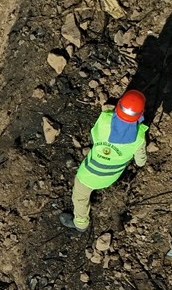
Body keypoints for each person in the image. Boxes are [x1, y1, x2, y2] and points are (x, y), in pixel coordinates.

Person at [60, 90, 149, 233]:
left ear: (118, 106)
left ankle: (81, 224)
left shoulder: (105, 121)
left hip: (87, 175)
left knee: (80, 198)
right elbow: (140, 162)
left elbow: (93, 136)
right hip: (110, 177)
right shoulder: (139, 138)